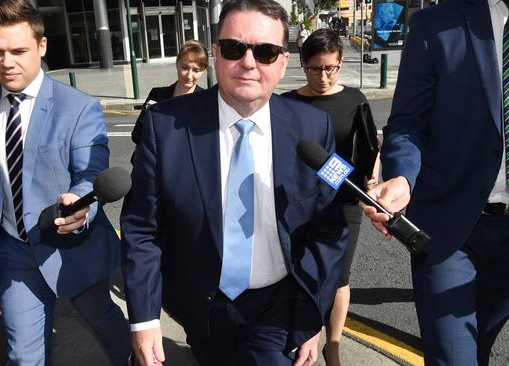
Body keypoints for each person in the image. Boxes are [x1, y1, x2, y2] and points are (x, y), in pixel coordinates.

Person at [121, 1, 349, 365]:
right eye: (233, 48)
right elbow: (141, 229)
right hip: (200, 308)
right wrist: (145, 318)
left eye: (265, 51)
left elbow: (329, 230)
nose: (248, 62)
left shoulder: (314, 128)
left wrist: (311, 317)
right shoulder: (164, 125)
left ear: (283, 62)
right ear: (215, 54)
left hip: (279, 307)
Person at [362, 0, 509, 364]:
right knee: (452, 357)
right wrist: (402, 176)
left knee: (479, 345)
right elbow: (407, 123)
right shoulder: (434, 24)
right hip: (446, 223)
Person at [0, 1, 131, 365]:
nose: (6, 62)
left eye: (18, 50)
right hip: (15, 251)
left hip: (73, 247)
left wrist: (81, 204)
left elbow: (90, 171)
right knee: (23, 355)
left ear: (41, 45)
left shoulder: (79, 107)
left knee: (105, 322)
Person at [282, 28, 380, 366]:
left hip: (344, 200)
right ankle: (300, 337)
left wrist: (372, 180)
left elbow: (371, 148)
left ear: (340, 64)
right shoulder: (287, 103)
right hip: (297, 201)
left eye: (331, 68)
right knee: (296, 271)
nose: (323, 77)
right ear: (302, 64)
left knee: (339, 277)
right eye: (314, 69)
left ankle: (332, 344)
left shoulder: (354, 100)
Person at [130, 40, 208, 163]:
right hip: (153, 167)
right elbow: (137, 135)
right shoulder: (157, 96)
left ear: (203, 71)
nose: (189, 75)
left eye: (196, 70)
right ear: (177, 63)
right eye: (185, 67)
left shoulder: (206, 101)